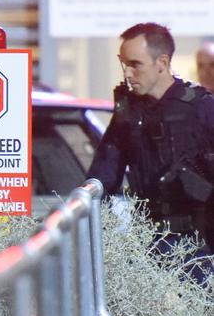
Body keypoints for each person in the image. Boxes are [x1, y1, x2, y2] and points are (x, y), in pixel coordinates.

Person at [88, 22, 214, 284]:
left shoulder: (201, 108)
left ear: (162, 62)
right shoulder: (129, 114)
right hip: (150, 243)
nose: (128, 73)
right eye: (124, 64)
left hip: (201, 247)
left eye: (136, 64)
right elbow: (103, 175)